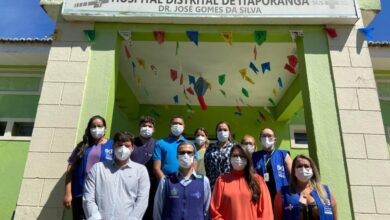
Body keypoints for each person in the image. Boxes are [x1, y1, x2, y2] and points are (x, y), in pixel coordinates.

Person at [83, 131, 150, 220]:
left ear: (132, 148)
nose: (123, 149)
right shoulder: (98, 168)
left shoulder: (141, 171)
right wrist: (94, 217)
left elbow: (142, 200)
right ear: (113, 146)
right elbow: (88, 196)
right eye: (119, 145)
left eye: (127, 146)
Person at [63, 115, 113, 220]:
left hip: (102, 195)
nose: (96, 129)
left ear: (105, 128)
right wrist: (68, 194)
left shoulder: (112, 145)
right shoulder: (82, 146)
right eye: (93, 126)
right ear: (89, 129)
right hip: (80, 193)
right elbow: (70, 171)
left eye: (99, 126)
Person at [210, 144, 274, 220]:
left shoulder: (258, 180)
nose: (238, 158)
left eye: (242, 156)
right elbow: (215, 211)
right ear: (230, 158)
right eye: (235, 156)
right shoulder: (221, 181)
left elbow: (266, 211)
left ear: (247, 159)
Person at [153, 142, 211, 220]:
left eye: (189, 152)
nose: (185, 155)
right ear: (177, 156)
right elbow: (158, 210)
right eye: (182, 152)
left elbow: (207, 210)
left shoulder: (204, 181)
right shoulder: (165, 181)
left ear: (194, 156)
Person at [274, 154, 338, 220]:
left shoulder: (325, 191)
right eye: (299, 166)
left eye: (306, 166)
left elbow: (334, 216)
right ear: (294, 170)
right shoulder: (282, 194)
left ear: (312, 169)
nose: (303, 169)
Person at [252, 128, 292, 202]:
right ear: (260, 139)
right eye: (264, 136)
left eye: (269, 135)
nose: (266, 138)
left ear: (275, 139)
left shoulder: (284, 154)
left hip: (282, 195)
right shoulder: (254, 156)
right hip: (261, 195)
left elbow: (292, 176)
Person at [153, 116, 198, 181]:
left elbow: (195, 165)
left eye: (180, 124)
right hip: (167, 182)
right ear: (170, 126)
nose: (177, 125)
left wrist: (189, 181)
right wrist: (165, 183)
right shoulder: (160, 143)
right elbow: (156, 168)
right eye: (175, 123)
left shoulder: (190, 145)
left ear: (184, 126)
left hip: (186, 182)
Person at [130, 116, 157, 220]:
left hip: (151, 186)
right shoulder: (131, 143)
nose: (147, 128)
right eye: (144, 125)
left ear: (154, 129)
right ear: (139, 127)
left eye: (150, 126)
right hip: (132, 183)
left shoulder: (157, 144)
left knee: (148, 212)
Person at [204, 121, 234, 188]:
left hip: (230, 185)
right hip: (213, 185)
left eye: (225, 130)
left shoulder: (234, 148)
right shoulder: (210, 148)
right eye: (219, 130)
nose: (222, 132)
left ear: (229, 132)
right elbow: (206, 166)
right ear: (216, 132)